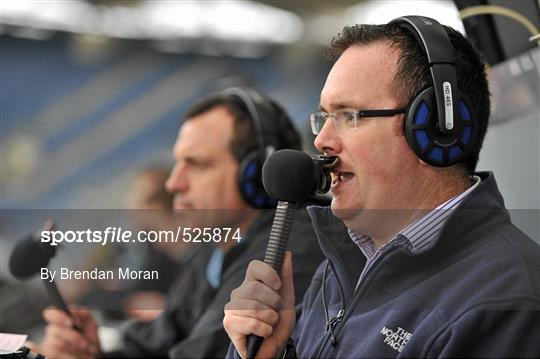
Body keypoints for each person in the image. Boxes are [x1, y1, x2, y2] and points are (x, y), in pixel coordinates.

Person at [223, 17, 540, 358]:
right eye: (324, 117)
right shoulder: (341, 266)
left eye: (348, 116)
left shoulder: (506, 303)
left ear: (435, 129)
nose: (321, 140)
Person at [31, 87, 325, 358]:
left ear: (257, 173)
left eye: (196, 164)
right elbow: (159, 341)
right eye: (177, 164)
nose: (173, 183)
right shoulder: (217, 248)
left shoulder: (286, 248)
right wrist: (91, 352)